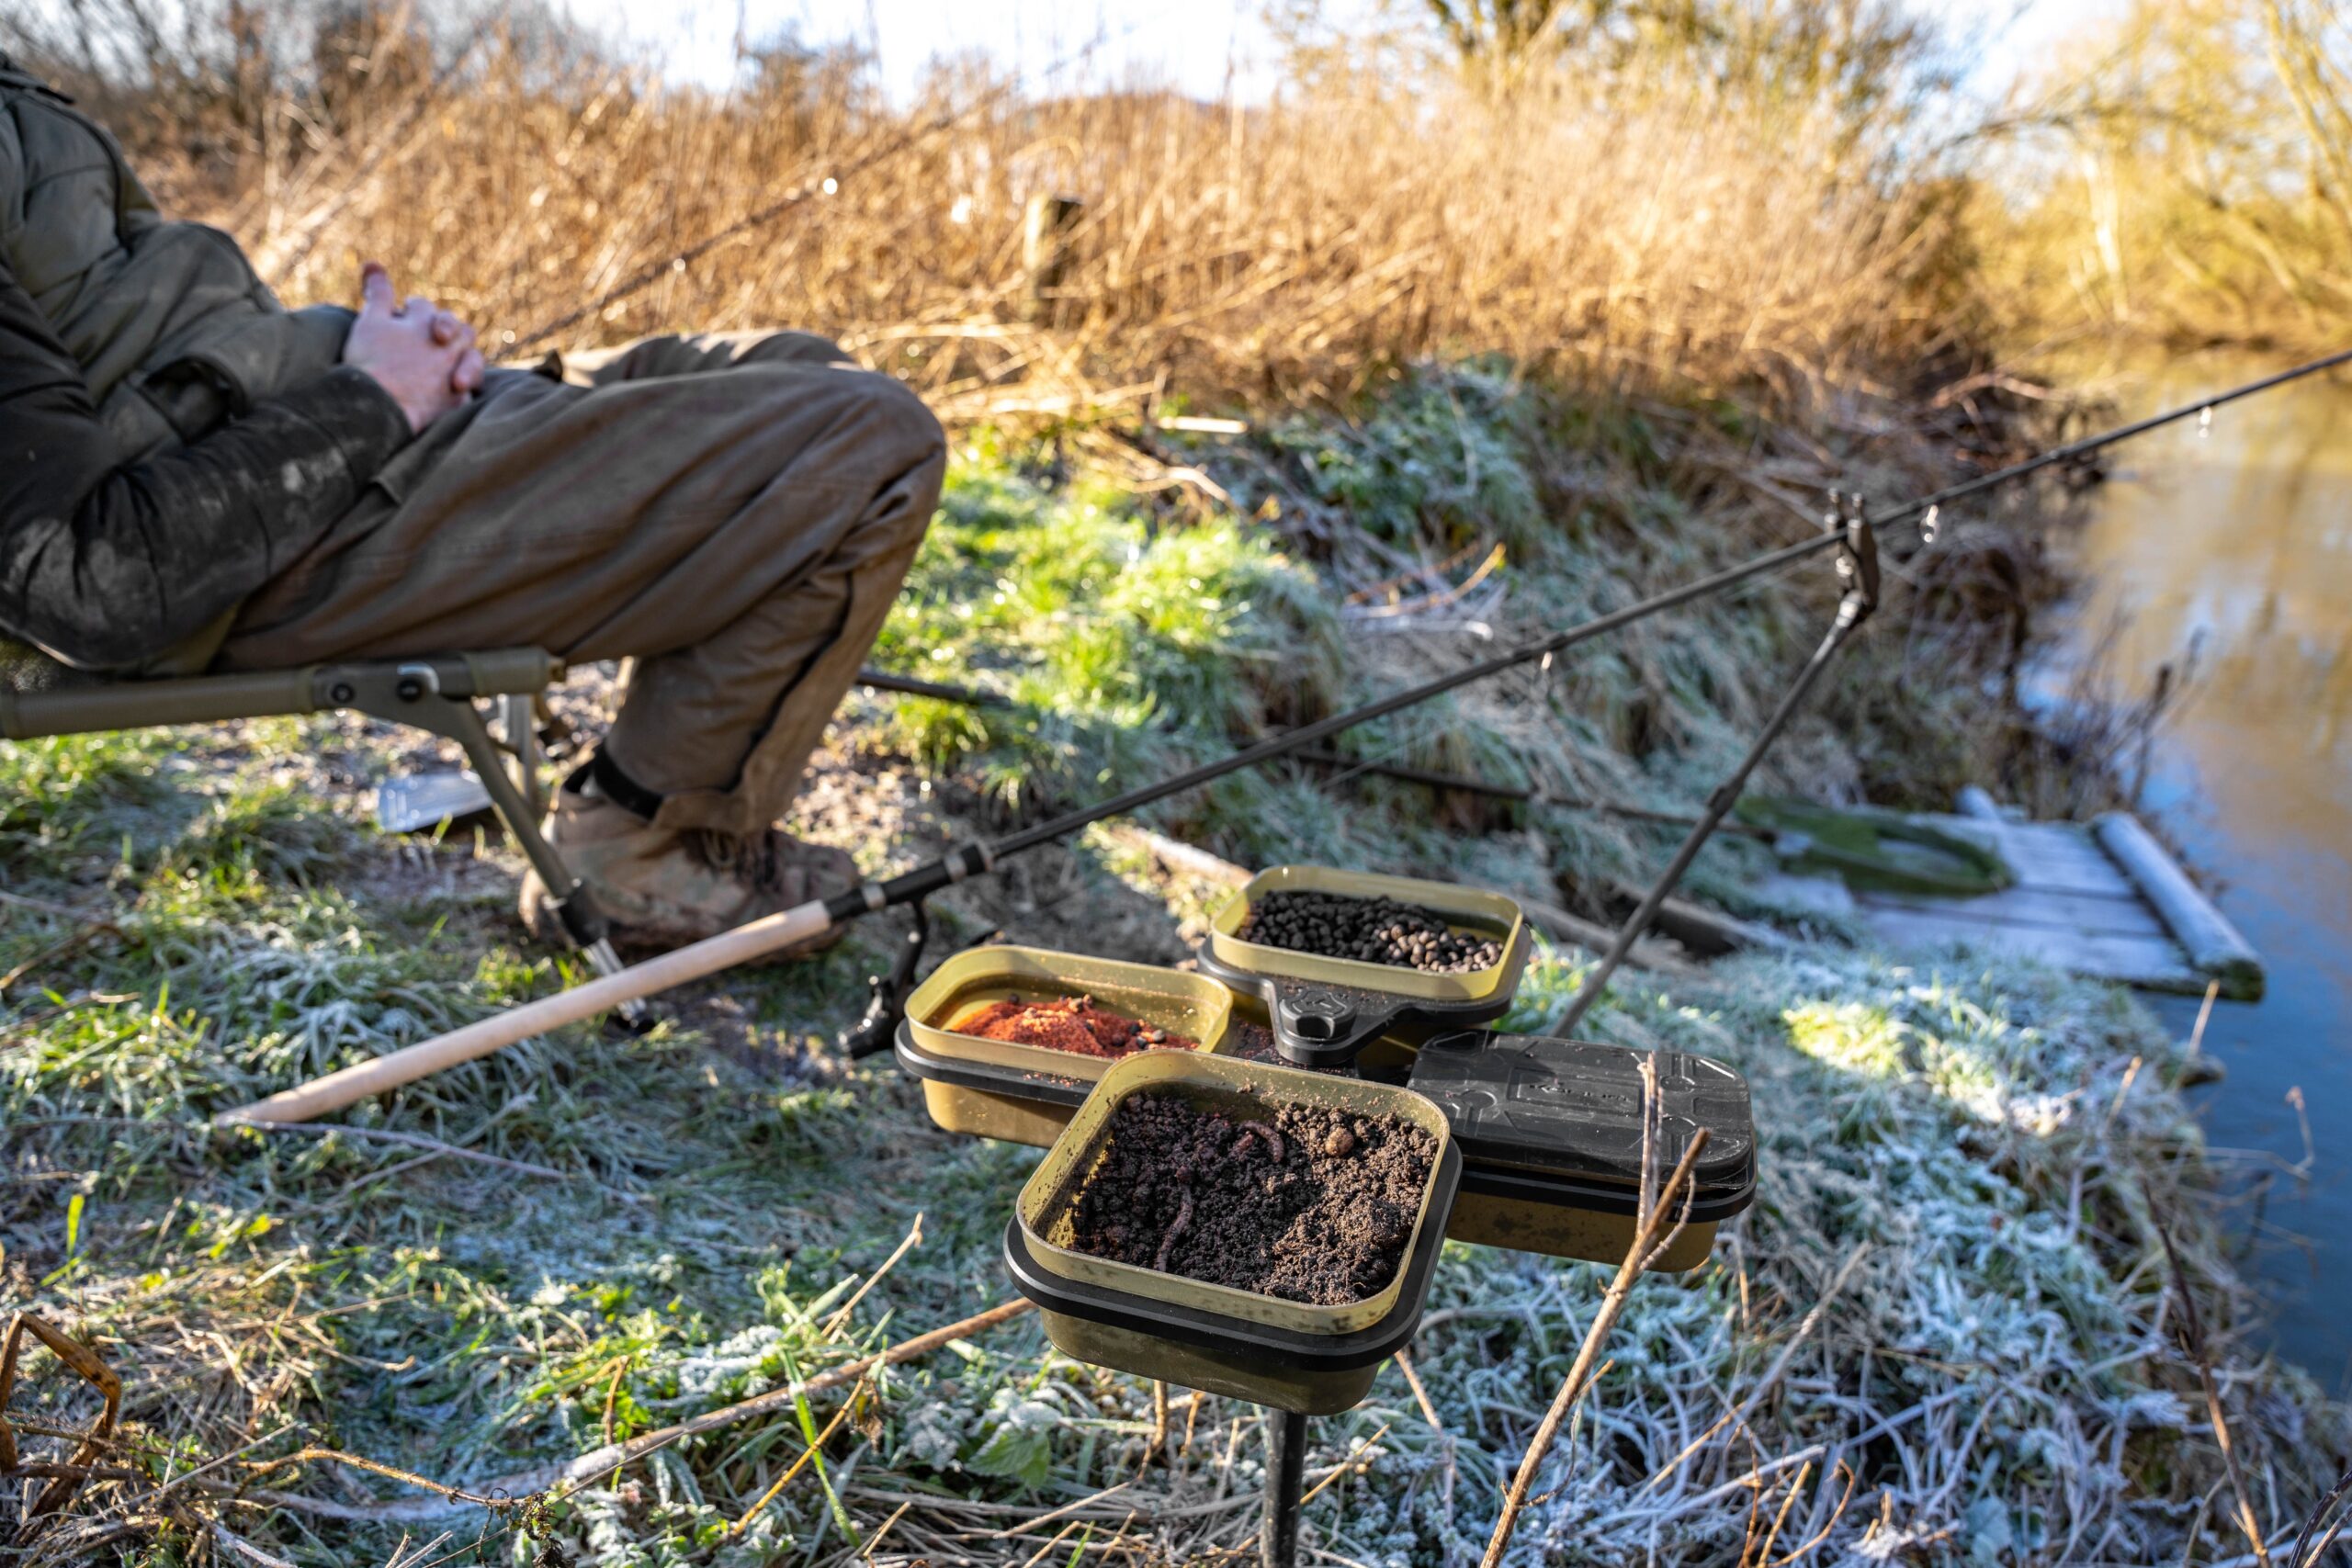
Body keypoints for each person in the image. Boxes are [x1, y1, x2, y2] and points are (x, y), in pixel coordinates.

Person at [0, 54, 946, 955]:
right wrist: (373, 400)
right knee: (869, 447)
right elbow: (94, 578)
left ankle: (653, 796)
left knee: (800, 366)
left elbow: (134, 343)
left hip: (319, 432)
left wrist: (381, 364)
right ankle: (639, 854)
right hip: (270, 543)